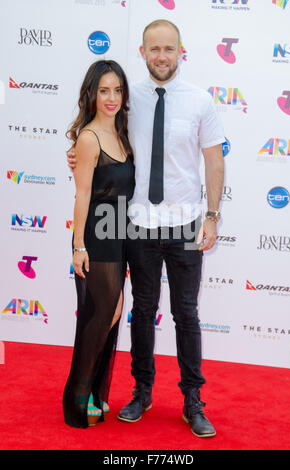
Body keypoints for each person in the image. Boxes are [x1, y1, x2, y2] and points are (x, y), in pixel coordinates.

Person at [68, 20, 225, 438]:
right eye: (154, 49)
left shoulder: (199, 101)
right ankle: (142, 391)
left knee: (186, 315)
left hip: (187, 224)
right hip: (138, 225)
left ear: (180, 51)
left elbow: (213, 160)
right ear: (142, 52)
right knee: (141, 313)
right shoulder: (129, 96)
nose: (161, 56)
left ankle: (193, 399)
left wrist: (212, 215)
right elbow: (102, 131)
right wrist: (78, 151)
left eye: (169, 49)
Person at [63, 59, 135, 428]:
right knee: (96, 320)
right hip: (94, 238)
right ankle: (76, 401)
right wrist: (79, 246)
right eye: (104, 90)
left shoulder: (122, 133)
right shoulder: (89, 138)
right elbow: (82, 194)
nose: (111, 98)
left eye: (117, 90)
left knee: (112, 314)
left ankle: (93, 391)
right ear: (91, 94)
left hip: (118, 235)